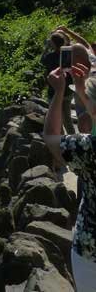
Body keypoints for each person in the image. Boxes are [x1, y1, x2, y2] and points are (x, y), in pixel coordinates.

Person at [44, 63, 96, 291]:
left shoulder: (87, 149)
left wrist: (58, 93)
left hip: (90, 250)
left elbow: (51, 137)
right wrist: (82, 88)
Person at [41, 31, 75, 134]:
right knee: (67, 118)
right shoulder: (68, 54)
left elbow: (42, 60)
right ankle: (73, 139)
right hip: (68, 89)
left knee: (57, 119)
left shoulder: (50, 56)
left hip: (54, 91)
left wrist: (46, 47)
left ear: (52, 43)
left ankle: (61, 139)